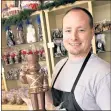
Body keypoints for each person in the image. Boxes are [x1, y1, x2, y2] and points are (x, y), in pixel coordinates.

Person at [51, 7, 110, 110]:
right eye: (68, 30)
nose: (74, 37)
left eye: (81, 30)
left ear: (92, 33)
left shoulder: (103, 74)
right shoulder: (59, 66)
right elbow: (55, 105)